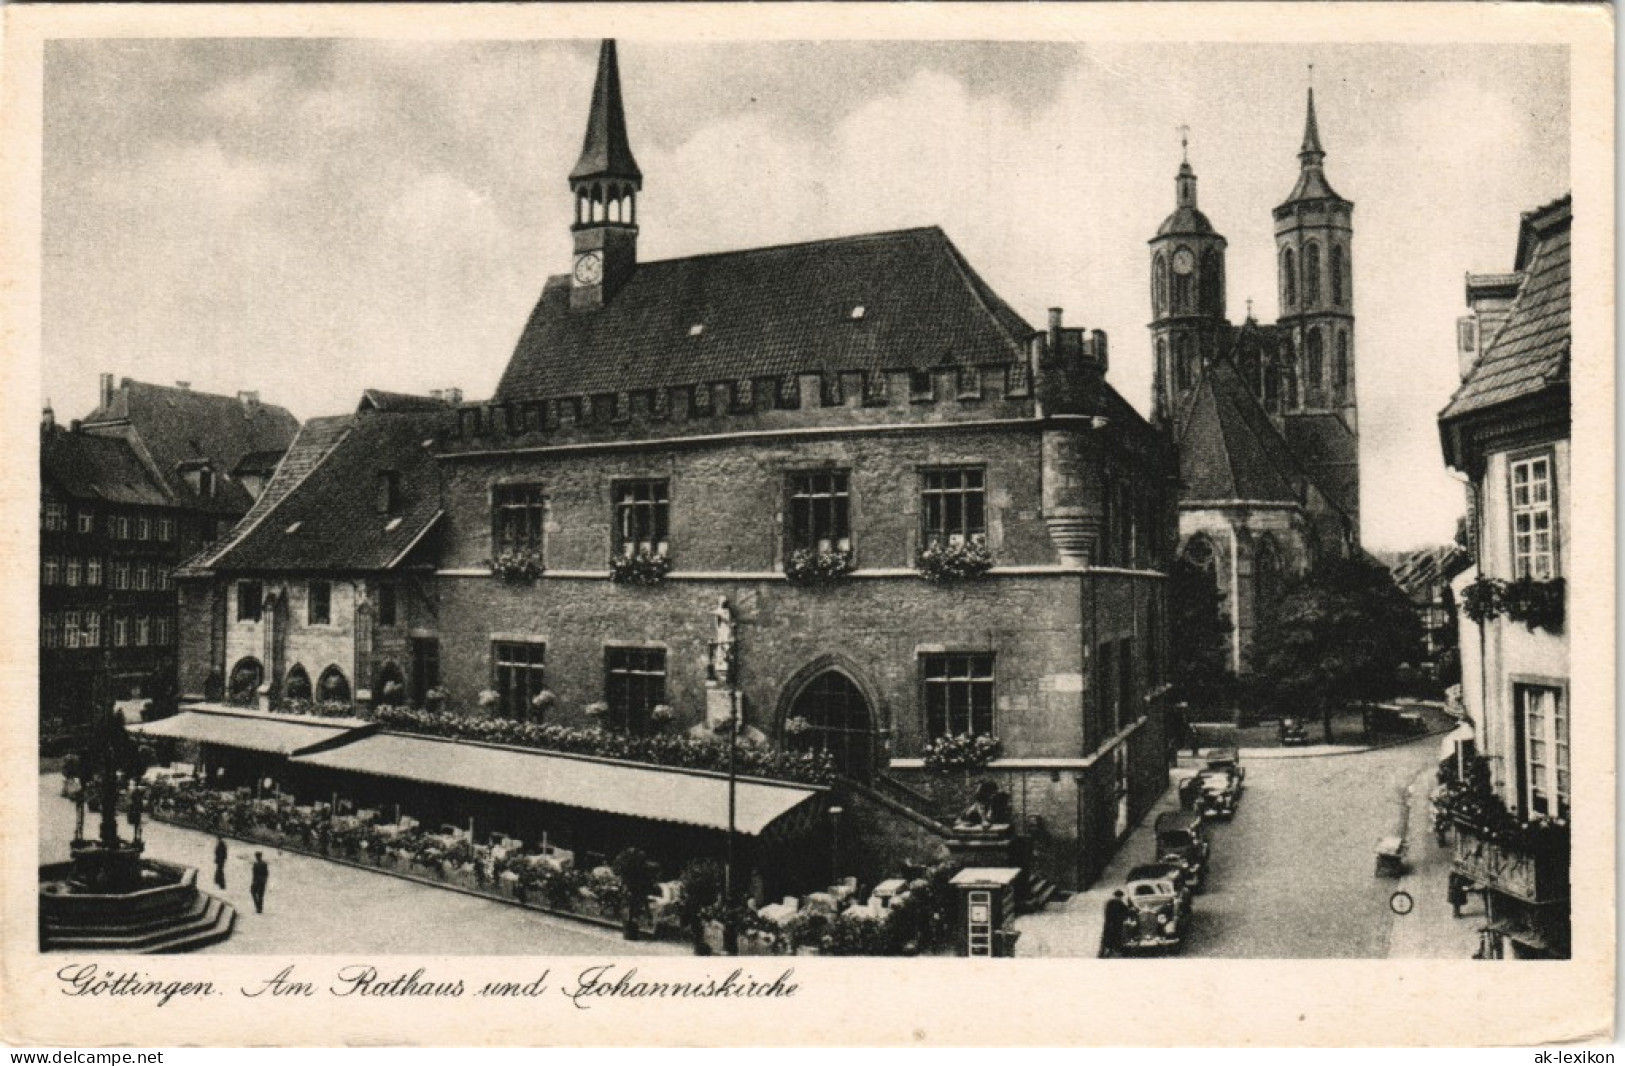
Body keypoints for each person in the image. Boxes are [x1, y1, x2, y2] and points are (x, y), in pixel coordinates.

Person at [1099, 890, 1130, 958]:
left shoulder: (1109, 903)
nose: (1120, 898)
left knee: (1108, 937)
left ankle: (1106, 951)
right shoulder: (1120, 904)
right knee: (1115, 937)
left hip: (1109, 923)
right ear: (1119, 896)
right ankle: (1114, 951)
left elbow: (1106, 913)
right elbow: (1126, 912)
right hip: (1116, 924)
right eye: (1120, 897)